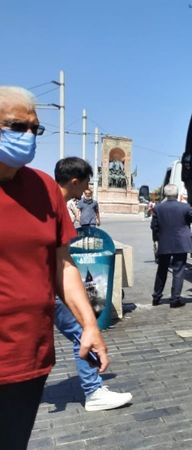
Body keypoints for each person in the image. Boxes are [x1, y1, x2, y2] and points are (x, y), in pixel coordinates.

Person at [0, 86, 109, 449]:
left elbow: (63, 265)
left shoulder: (44, 188)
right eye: (17, 126)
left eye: (35, 129)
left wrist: (90, 325)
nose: (28, 136)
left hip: (29, 357)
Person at [54, 157, 132, 411]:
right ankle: (93, 390)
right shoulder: (57, 207)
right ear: (75, 182)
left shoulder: (51, 204)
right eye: (87, 182)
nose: (88, 187)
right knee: (82, 333)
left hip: (39, 288)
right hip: (46, 288)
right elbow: (63, 263)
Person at [151, 183, 192, 308]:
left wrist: (156, 240)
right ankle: (175, 299)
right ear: (177, 194)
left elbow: (154, 227)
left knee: (161, 270)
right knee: (178, 271)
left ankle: (156, 297)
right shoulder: (185, 207)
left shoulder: (158, 208)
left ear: (165, 194)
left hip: (164, 244)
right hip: (181, 244)